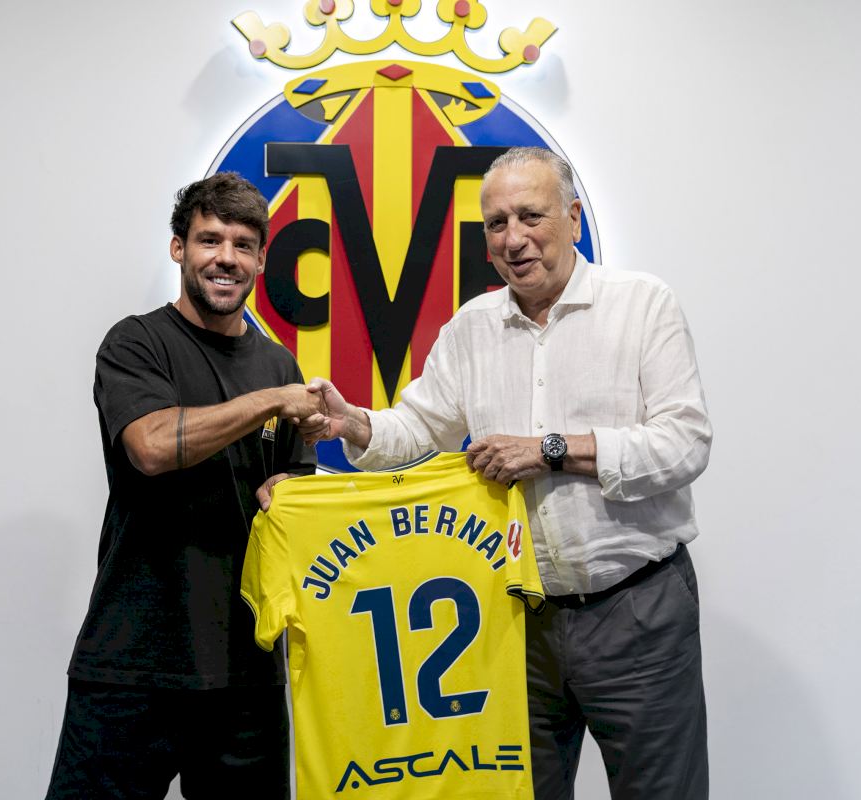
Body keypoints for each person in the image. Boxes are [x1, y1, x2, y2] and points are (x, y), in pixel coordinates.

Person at [291, 147, 712, 799]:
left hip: (637, 611)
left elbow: (684, 444)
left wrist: (551, 450)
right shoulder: (472, 328)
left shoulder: (642, 305)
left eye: (530, 216)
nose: (513, 239)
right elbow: (419, 427)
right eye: (496, 223)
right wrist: (355, 424)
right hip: (516, 622)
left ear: (573, 218)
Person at [46, 172, 323, 799]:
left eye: (244, 245)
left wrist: (291, 493)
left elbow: (295, 494)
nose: (227, 258)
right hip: (131, 663)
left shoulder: (278, 364)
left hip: (246, 671)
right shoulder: (136, 342)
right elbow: (150, 447)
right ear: (179, 248)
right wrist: (270, 401)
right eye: (210, 240)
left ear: (260, 261)